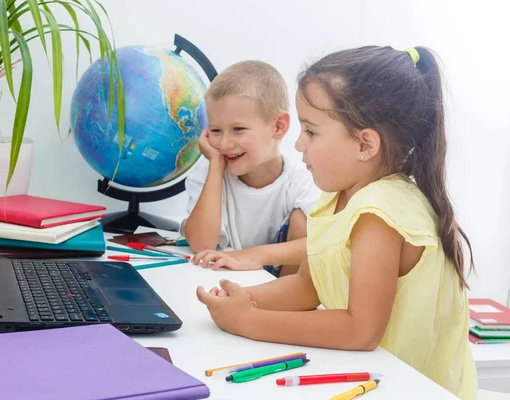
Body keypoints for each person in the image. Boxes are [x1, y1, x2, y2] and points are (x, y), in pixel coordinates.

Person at [196, 46, 477, 399]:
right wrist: (238, 300)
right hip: (374, 378)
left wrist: (248, 321)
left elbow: (361, 330)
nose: (298, 144)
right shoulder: (336, 195)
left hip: (407, 389)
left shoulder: (380, 212)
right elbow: (306, 287)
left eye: (311, 131)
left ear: (365, 144)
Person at [180, 60, 318, 277]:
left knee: (303, 221)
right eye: (215, 130)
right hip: (222, 281)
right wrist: (215, 165)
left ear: (278, 127)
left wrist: (253, 255)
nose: (224, 144)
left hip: (279, 292)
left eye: (238, 129)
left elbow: (325, 245)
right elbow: (201, 244)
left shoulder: (302, 182)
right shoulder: (208, 173)